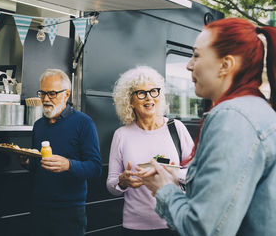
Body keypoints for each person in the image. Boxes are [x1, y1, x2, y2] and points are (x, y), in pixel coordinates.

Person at [138, 18, 276, 236]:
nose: (189, 64)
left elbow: (204, 229)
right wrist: (176, 175)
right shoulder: (256, 111)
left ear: (225, 65)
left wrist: (164, 189)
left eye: (197, 55)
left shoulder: (232, 119)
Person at [106, 66, 193, 236]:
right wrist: (123, 182)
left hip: (174, 221)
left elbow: (196, 172)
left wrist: (172, 174)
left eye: (154, 91)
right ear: (130, 101)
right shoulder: (121, 135)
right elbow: (111, 184)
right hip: (134, 226)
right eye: (141, 93)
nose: (149, 98)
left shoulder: (176, 128)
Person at [21, 69, 102, 236]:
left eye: (52, 93)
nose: (45, 99)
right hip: (39, 208)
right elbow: (39, 166)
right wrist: (27, 162)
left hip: (69, 211)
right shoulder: (38, 125)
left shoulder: (83, 123)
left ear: (67, 95)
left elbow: (95, 168)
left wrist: (68, 165)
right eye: (42, 93)